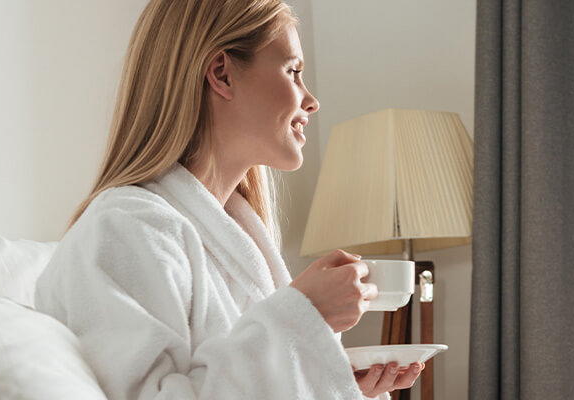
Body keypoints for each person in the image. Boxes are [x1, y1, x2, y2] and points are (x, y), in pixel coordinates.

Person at [33, 0, 422, 398]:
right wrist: (304, 317)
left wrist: (322, 377)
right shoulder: (123, 231)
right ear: (221, 74)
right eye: (293, 71)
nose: (311, 100)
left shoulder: (236, 241)